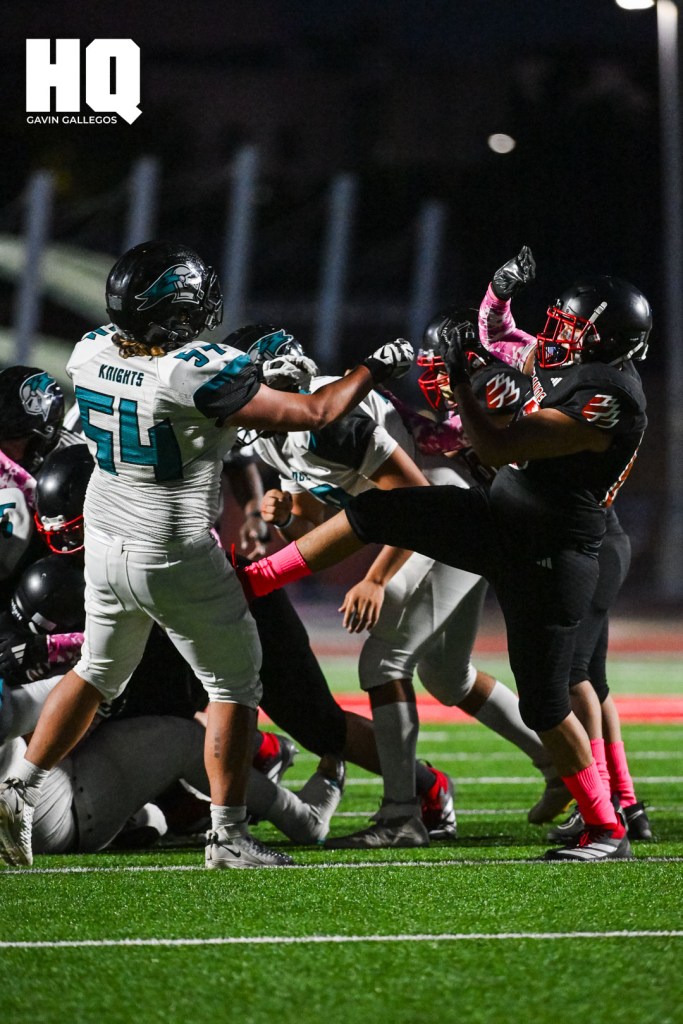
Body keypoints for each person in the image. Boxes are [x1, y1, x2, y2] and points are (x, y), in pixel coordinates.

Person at [0, 239, 413, 871]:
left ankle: (20, 785)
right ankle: (229, 837)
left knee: (98, 671)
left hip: (108, 543)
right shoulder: (191, 370)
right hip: (172, 548)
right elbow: (316, 409)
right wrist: (376, 368)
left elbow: (208, 408)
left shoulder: (91, 352)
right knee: (236, 682)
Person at [238, 254, 651, 862]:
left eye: (573, 325)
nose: (557, 331)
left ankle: (607, 825)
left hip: (551, 548)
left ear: (607, 338)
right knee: (379, 515)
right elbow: (505, 354)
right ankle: (257, 578)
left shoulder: (610, 397)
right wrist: (487, 354)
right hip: (498, 518)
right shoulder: (581, 373)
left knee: (548, 700)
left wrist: (467, 379)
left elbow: (498, 440)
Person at [240, 325, 562, 848]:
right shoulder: (282, 430)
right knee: (447, 676)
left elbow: (416, 498)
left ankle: (401, 815)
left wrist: (376, 577)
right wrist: (288, 517)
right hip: (438, 511)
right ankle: (563, 769)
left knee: (383, 662)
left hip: (450, 505)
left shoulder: (332, 421)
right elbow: (323, 516)